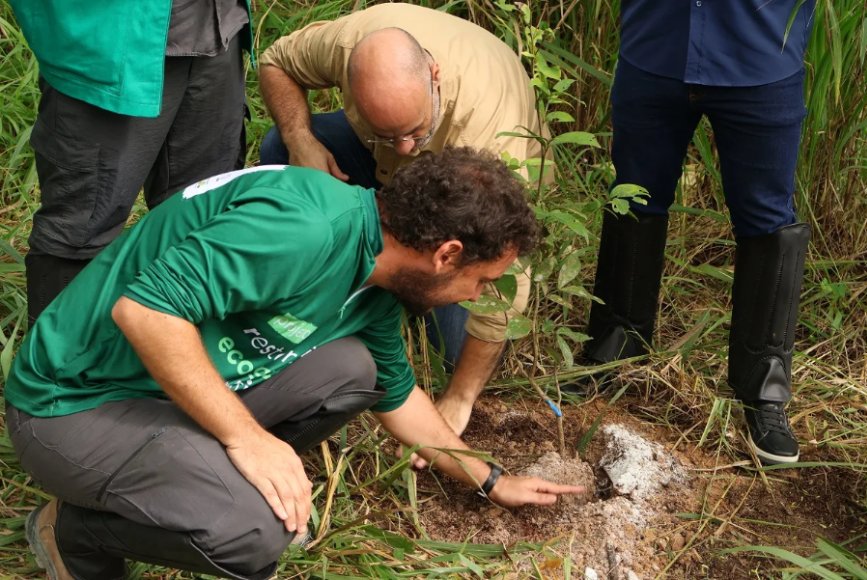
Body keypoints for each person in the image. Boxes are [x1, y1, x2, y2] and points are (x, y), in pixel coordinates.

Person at [6, 148, 583, 579]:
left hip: (166, 390)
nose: (478, 296)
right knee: (257, 534)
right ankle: (77, 535)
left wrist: (489, 478)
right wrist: (247, 439)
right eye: (479, 280)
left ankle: (200, 477)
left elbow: (397, 394)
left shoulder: (376, 277)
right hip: (73, 405)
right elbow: (146, 313)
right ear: (446, 254)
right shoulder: (303, 230)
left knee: (356, 369)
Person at [257, 3, 550, 442]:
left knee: (452, 350)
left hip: (468, 170)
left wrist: (460, 397)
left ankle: (381, 291)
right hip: (379, 163)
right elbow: (275, 61)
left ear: (433, 75)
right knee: (279, 142)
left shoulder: (489, 132)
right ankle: (324, 287)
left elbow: (507, 271)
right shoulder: (346, 44)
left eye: (416, 131)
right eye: (390, 135)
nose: (407, 149)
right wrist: (301, 140)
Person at [583, 1, 816, 465]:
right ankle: (615, 342)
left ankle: (765, 387)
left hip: (761, 53)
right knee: (633, 195)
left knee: (768, 219)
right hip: (655, 46)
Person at [10, 0, 252, 325]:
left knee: (203, 212)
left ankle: (173, 357)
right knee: (81, 230)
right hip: (108, 42)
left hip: (218, 25)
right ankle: (55, 370)